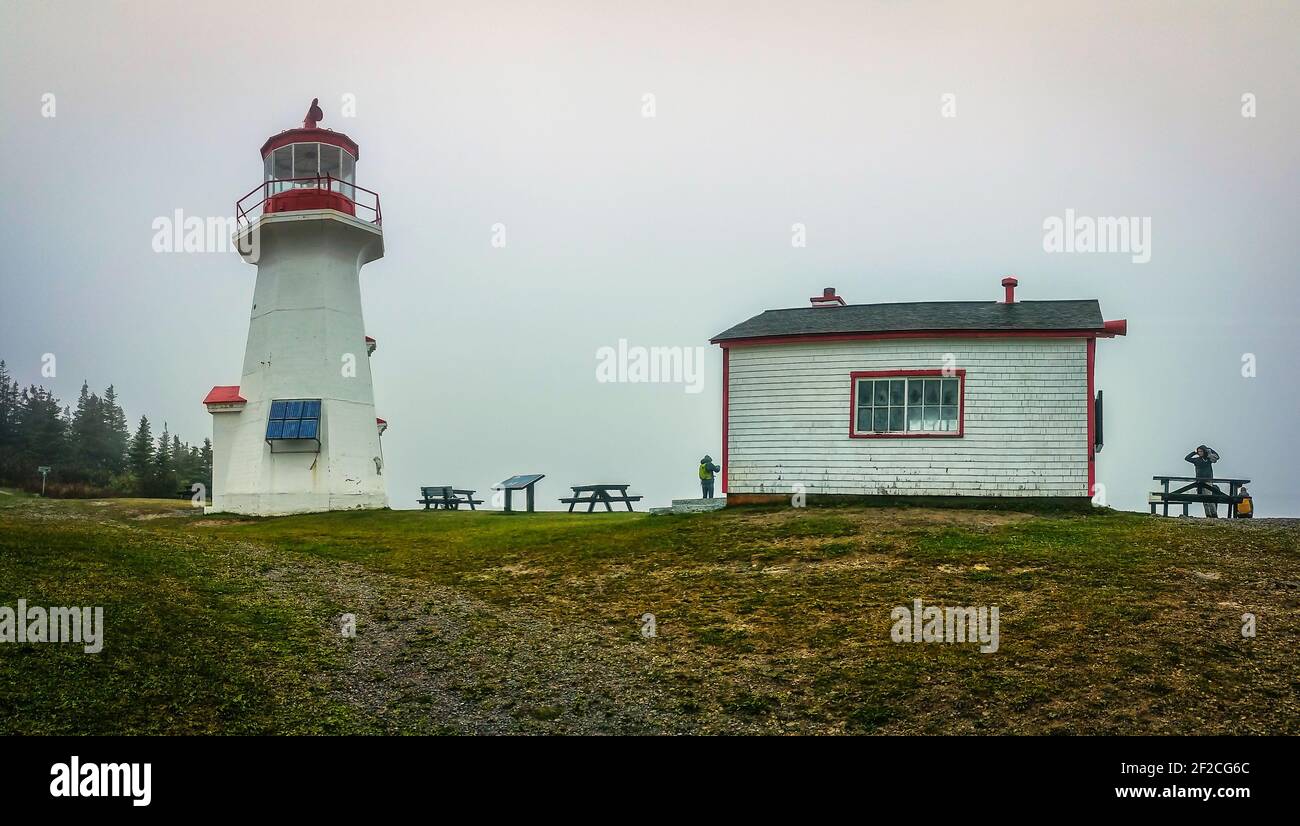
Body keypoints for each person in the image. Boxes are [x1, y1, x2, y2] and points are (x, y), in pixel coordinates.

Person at [1184, 444, 1222, 517]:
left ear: (1204, 451)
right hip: (1199, 482)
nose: (1200, 453)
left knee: (1209, 498)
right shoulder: (1196, 460)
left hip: (1208, 480)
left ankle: (1214, 514)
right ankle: (1208, 515)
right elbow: (1187, 458)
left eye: (1201, 451)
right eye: (1198, 451)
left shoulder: (1208, 459)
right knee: (1204, 500)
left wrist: (1209, 449)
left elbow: (1217, 457)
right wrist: (1194, 452)